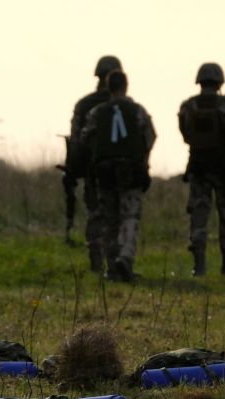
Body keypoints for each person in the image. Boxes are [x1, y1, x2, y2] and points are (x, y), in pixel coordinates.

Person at [80, 71, 156, 282]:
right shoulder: (137, 110)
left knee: (110, 220)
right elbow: (150, 136)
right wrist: (143, 159)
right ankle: (125, 258)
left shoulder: (97, 112)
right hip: (130, 170)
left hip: (105, 171)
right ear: (126, 85)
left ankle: (112, 267)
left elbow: (85, 138)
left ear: (107, 87)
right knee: (129, 216)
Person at [178, 63, 225, 277]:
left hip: (199, 166)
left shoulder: (188, 106)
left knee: (199, 215)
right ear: (220, 82)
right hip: (223, 168)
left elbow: (186, 134)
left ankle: (199, 266)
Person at [68, 56, 122, 272]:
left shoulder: (84, 104)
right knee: (116, 216)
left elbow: (76, 139)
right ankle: (115, 263)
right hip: (118, 169)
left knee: (95, 215)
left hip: (93, 168)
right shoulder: (123, 103)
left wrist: (74, 167)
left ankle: (96, 263)